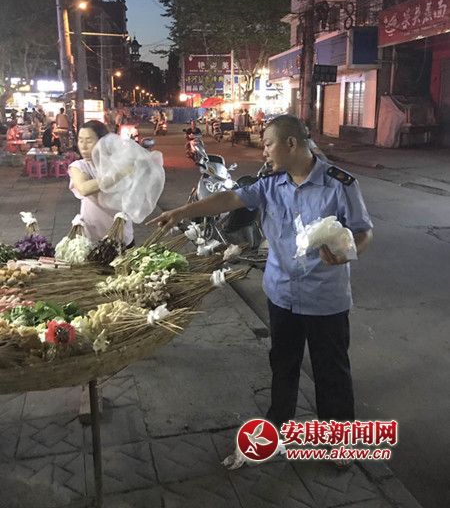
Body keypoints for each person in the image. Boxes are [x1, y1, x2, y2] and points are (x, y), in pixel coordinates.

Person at [151, 114, 373, 454]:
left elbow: (364, 231)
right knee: (283, 365)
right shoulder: (270, 184)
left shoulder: (339, 184)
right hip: (281, 294)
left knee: (331, 371)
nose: (264, 151)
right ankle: (279, 426)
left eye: (268, 144)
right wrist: (181, 212)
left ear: (291, 143)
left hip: (325, 298)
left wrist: (347, 252)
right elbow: (230, 199)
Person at [68, 120, 134, 247]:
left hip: (121, 234)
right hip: (93, 236)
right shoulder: (79, 166)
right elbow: (84, 188)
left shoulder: (117, 163)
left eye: (89, 141)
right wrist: (119, 174)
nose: (83, 146)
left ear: (102, 142)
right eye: (80, 140)